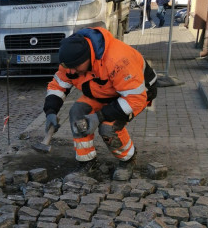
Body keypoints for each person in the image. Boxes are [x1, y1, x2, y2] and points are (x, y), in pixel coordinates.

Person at [43, 29, 158, 175]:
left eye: (75, 67)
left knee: (107, 128)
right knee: (77, 113)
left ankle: (128, 160)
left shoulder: (117, 60)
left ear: (88, 58)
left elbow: (135, 99)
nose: (71, 72)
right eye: (68, 67)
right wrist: (51, 111)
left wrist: (99, 116)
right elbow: (58, 86)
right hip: (103, 91)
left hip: (136, 94)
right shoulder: (71, 62)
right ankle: (87, 162)